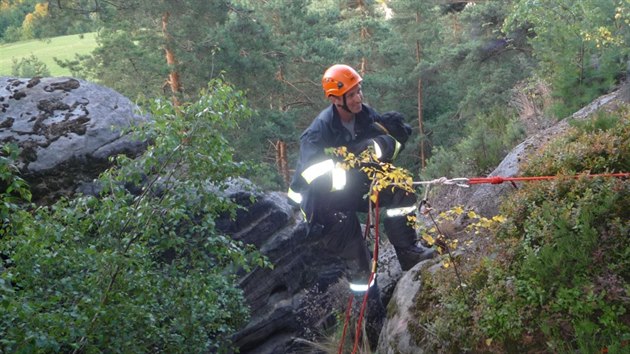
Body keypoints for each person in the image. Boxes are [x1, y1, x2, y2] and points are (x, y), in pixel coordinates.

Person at [287, 64, 436, 292]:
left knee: (399, 187)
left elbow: (385, 150)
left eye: (359, 91)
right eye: (352, 94)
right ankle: (370, 313)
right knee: (361, 268)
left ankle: (409, 253)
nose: (358, 98)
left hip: (354, 189)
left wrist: (388, 142)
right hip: (326, 205)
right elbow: (309, 175)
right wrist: (350, 161)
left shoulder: (366, 116)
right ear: (336, 99)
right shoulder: (319, 132)